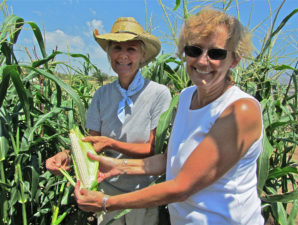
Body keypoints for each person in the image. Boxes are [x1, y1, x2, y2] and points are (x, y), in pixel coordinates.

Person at [73, 7, 265, 225]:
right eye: (194, 50)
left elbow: (181, 187)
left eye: (216, 53)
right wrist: (114, 165)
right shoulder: (186, 97)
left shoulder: (240, 110)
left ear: (234, 60)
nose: (202, 61)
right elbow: (168, 161)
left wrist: (108, 203)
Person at [46, 17, 172, 225]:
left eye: (131, 49)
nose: (123, 56)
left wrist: (111, 143)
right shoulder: (101, 95)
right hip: (105, 192)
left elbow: (152, 148)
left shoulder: (159, 93)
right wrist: (66, 156)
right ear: (108, 54)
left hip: (142, 193)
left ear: (142, 56)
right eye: (116, 48)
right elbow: (92, 143)